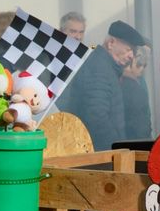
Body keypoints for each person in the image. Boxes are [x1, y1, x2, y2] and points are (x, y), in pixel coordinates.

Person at [56, 20, 148, 151]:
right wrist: (115, 149)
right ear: (111, 43)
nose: (131, 56)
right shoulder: (99, 68)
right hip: (100, 153)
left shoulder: (104, 65)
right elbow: (96, 115)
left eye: (133, 51)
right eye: (128, 50)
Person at [120, 45, 153, 140]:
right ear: (131, 62)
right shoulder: (133, 86)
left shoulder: (138, 82)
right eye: (139, 65)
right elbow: (141, 120)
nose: (142, 69)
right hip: (137, 138)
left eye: (144, 65)